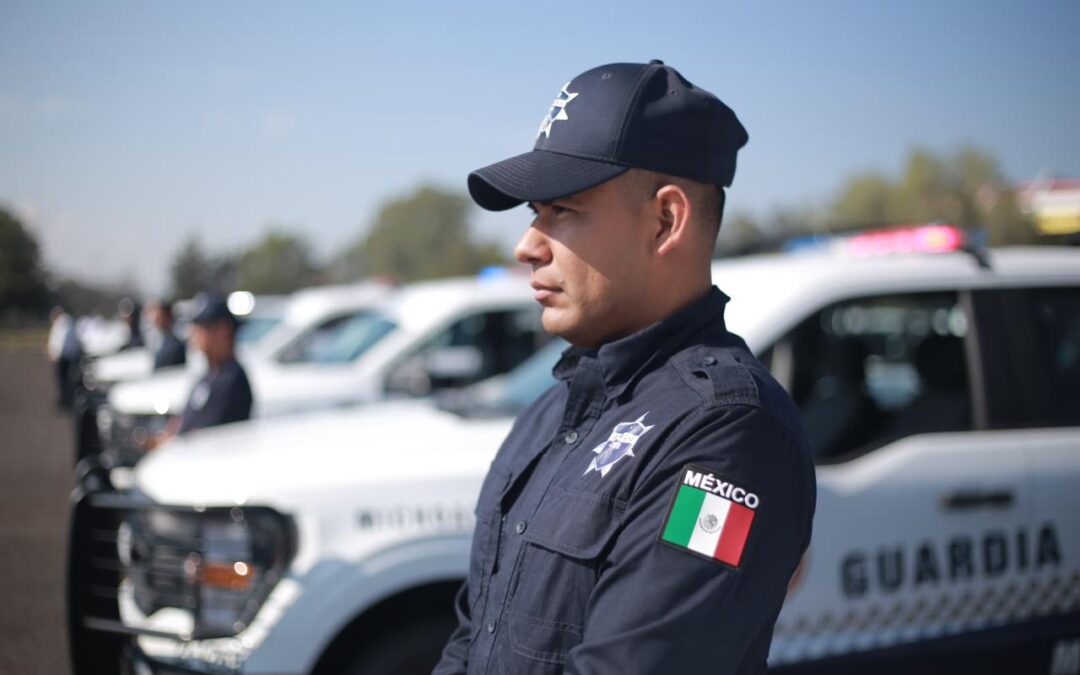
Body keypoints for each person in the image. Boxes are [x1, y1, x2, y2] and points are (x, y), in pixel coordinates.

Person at [434, 61, 816, 674]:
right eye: (535, 211)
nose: (527, 244)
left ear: (666, 220)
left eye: (562, 210)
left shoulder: (729, 437)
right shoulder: (554, 409)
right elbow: (471, 640)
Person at [144, 295, 253, 449]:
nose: (193, 333)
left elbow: (203, 436)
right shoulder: (211, 374)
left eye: (201, 327)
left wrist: (168, 443)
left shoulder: (232, 380)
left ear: (223, 329)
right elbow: (184, 420)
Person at [46, 305, 83, 408]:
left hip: (63, 357)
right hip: (68, 356)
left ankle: (64, 401)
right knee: (65, 380)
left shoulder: (62, 323)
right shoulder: (68, 322)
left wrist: (56, 354)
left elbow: (61, 341)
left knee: (62, 380)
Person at [146, 299, 187, 370]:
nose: (155, 319)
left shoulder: (176, 343)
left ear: (167, 316)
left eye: (158, 315)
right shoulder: (157, 339)